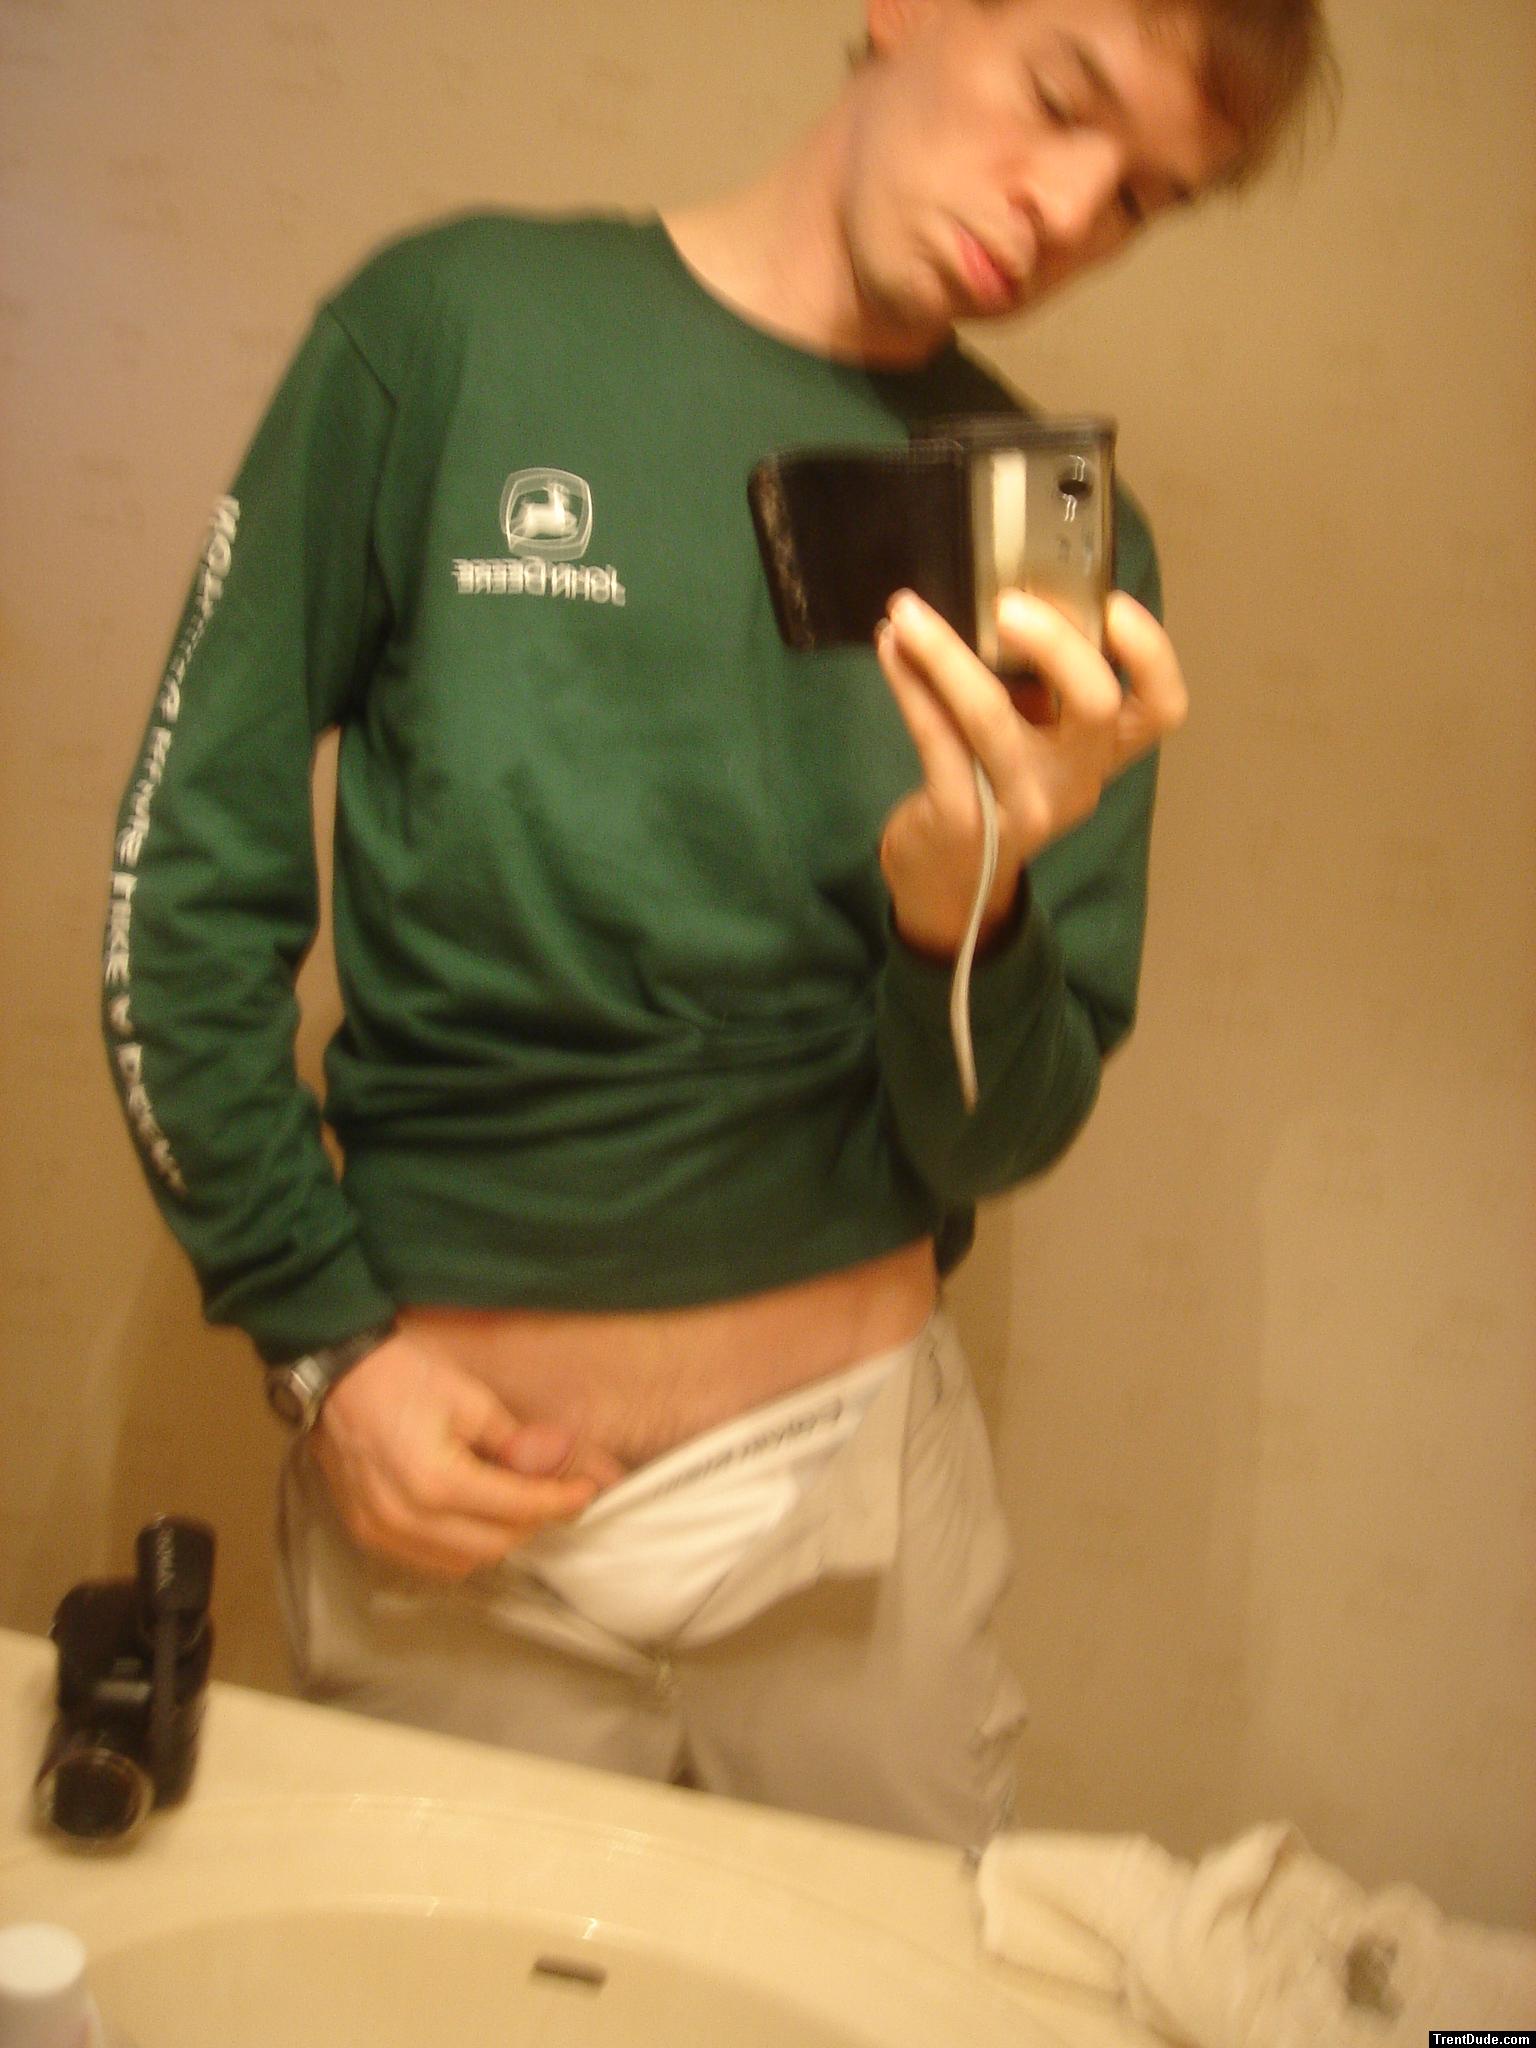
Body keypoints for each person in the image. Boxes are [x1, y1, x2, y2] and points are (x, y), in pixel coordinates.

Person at [103, 0, 1333, 1846]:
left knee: (875, 1984)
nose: (1073, 208)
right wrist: (319, 1344)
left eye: (1146, 196)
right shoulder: (453, 330)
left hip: (861, 1538)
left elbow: (998, 1138)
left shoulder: (1059, 540)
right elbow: (184, 891)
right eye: (1062, 97)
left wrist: (965, 913)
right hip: (458, 1523)